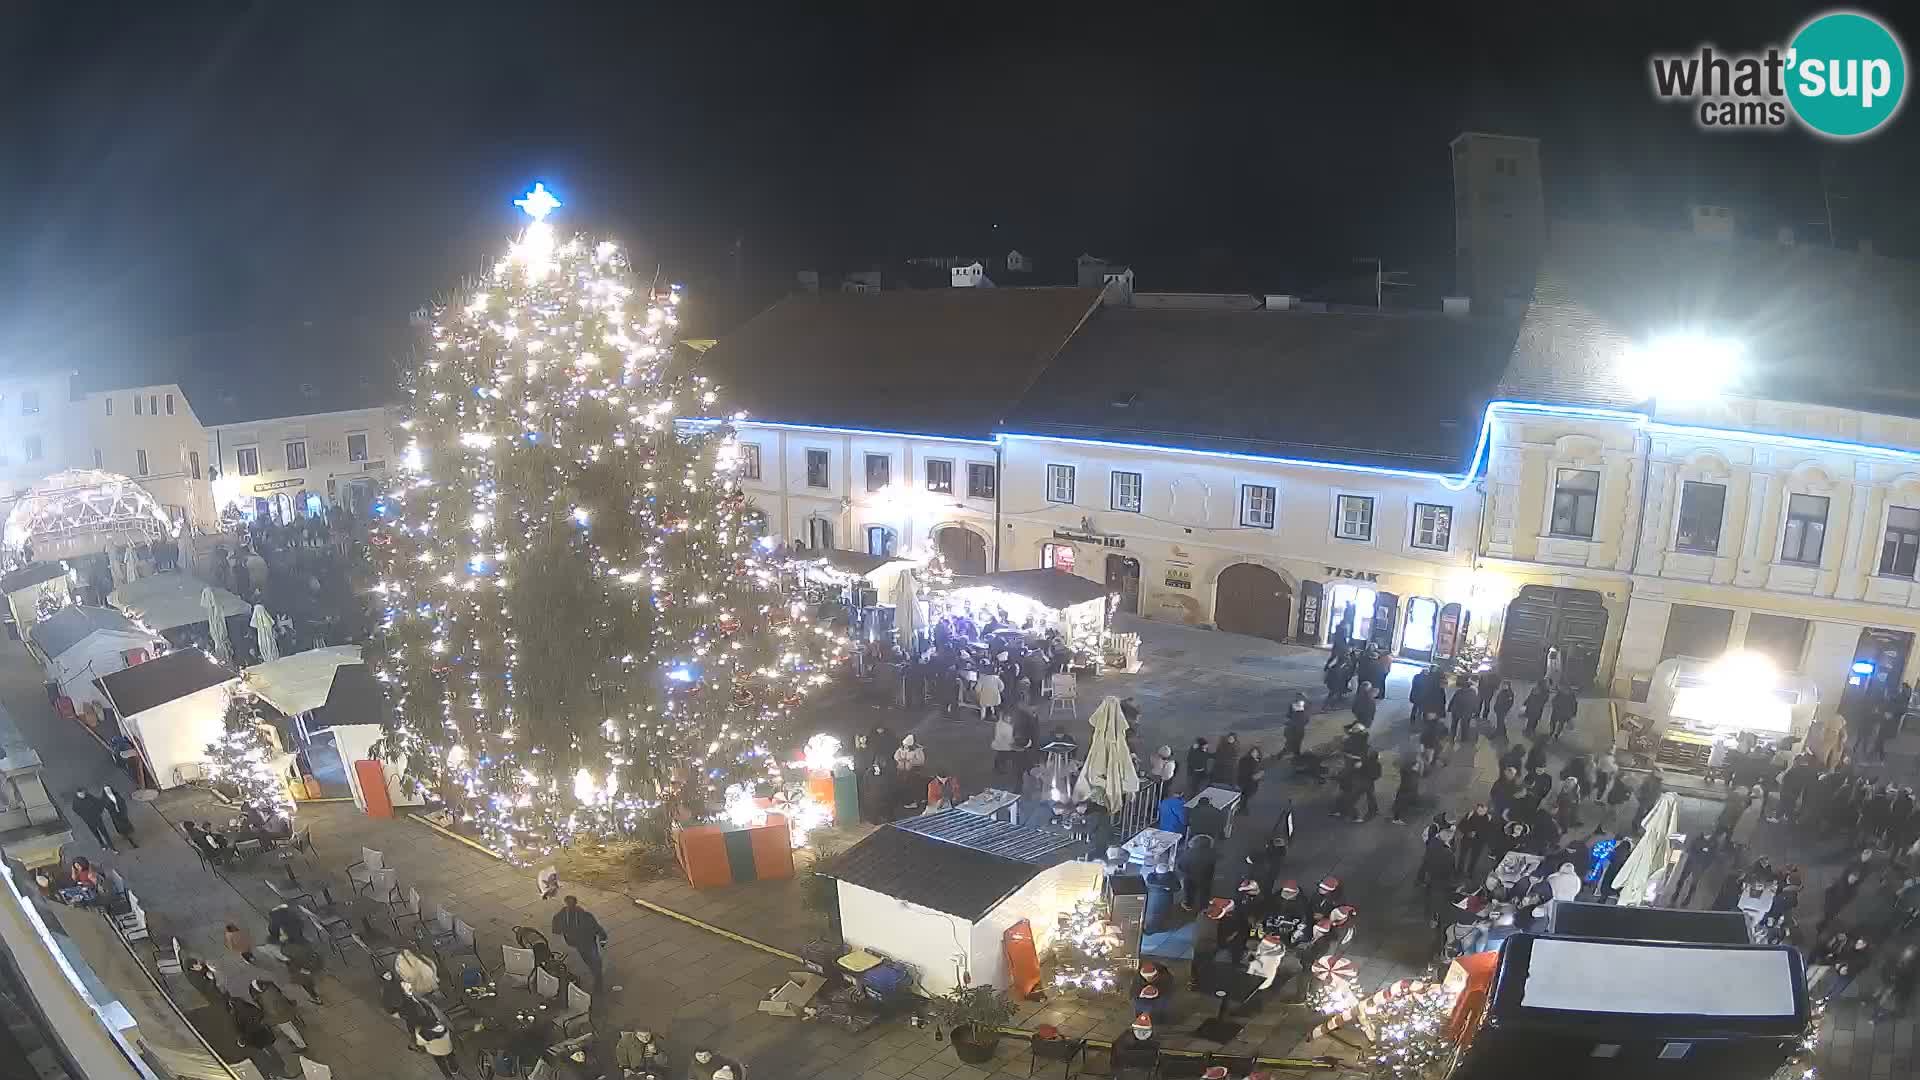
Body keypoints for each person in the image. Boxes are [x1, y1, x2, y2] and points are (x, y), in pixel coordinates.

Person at [552, 895, 608, 992]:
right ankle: (595, 972)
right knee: (587, 959)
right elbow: (556, 926)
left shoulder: (584, 915)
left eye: (572, 904)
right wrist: (559, 930)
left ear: (575, 904)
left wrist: (602, 938)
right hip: (577, 943)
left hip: (588, 941)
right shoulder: (562, 915)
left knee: (595, 960)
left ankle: (598, 979)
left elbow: (596, 927)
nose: (570, 906)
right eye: (568, 904)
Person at [250, 978, 307, 1052]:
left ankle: (301, 1045)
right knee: (291, 1025)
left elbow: (271, 1012)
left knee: (289, 1030)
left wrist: (266, 1019)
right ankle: (298, 1031)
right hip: (285, 1007)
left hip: (280, 1016)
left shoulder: (265, 998)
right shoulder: (271, 987)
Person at [1178, 834, 1217, 911]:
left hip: (1190, 877)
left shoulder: (1187, 853)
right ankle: (1204, 908)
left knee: (1189, 892)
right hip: (1205, 877)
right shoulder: (1212, 853)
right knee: (1204, 892)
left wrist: (1184, 873)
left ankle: (1188, 904)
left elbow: (1180, 866)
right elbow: (1215, 866)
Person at [1457, 804, 1495, 877]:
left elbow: (1490, 831)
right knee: (1462, 856)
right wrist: (1468, 832)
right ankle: (1459, 871)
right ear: (1477, 809)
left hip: (1479, 842)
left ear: (1486, 811)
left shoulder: (1488, 818)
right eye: (1480, 810)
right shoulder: (1470, 815)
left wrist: (1481, 835)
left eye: (1484, 811)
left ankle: (1470, 872)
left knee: (1474, 858)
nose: (1481, 812)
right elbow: (1461, 826)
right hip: (1467, 840)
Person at [1352, 750, 1382, 823]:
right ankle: (1374, 810)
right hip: (1370, 782)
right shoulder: (1378, 764)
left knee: (1356, 798)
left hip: (1362, 782)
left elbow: (1357, 769)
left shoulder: (1365, 762)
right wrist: (1373, 778)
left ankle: (1358, 816)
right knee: (1371, 796)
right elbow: (1378, 775)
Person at [1234, 748, 1264, 816]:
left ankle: (1242, 809)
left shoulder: (1258, 762)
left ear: (1258, 754)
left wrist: (1259, 774)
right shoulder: (1246, 760)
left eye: (1256, 752)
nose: (1254, 753)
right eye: (1253, 752)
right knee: (1243, 796)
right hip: (1245, 781)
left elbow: (1258, 771)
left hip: (1252, 782)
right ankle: (1241, 810)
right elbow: (1243, 770)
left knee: (1246, 797)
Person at [1390, 757, 1421, 825]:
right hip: (1403, 789)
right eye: (1416, 766)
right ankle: (1396, 818)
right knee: (1399, 803)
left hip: (1403, 789)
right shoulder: (1407, 772)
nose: (1417, 767)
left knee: (1398, 802)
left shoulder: (1407, 771)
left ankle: (1396, 814)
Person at [990, 711, 1018, 776]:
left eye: (1009, 718)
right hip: (1004, 746)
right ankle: (1000, 768)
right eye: (1007, 718)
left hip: (1001, 745)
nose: (1009, 719)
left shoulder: (1001, 724)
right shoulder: (1005, 726)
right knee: (1003, 758)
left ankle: (998, 768)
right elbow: (1008, 737)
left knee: (1000, 757)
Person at [1282, 695, 1310, 759]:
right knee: (1296, 743)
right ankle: (1295, 754)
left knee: (1291, 742)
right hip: (1297, 729)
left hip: (1292, 728)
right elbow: (1306, 720)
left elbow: (1288, 716)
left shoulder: (1294, 705)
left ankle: (1287, 753)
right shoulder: (1304, 707)